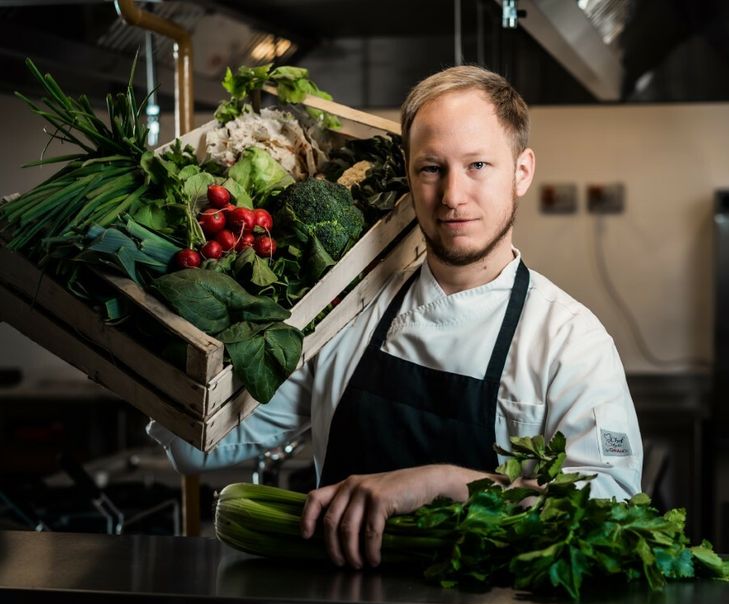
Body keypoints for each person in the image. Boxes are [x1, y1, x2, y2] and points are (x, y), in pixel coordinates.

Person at [148, 64, 643, 572]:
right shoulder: (346, 314)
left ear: (521, 172)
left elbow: (609, 515)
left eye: (477, 165)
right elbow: (203, 445)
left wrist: (443, 482)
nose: (452, 196)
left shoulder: (568, 342)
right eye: (431, 168)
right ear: (408, 173)